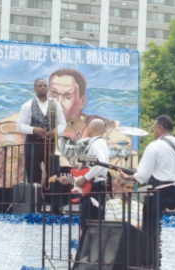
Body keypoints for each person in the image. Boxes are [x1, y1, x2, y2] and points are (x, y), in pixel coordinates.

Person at [119, 115, 175, 266]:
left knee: (153, 231)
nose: (154, 131)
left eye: (154, 127)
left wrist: (129, 177)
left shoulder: (154, 146)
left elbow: (142, 175)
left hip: (161, 194)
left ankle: (153, 263)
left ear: (160, 128)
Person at [16, 78, 66, 213]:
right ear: (35, 88)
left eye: (45, 85)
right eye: (40, 85)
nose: (43, 87)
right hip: (33, 143)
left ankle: (56, 206)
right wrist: (34, 130)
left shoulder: (56, 105)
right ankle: (35, 205)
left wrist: (56, 132)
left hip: (50, 144)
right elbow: (20, 125)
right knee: (33, 173)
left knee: (54, 173)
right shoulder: (27, 105)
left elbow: (63, 123)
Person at [72, 118, 110, 227]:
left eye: (88, 126)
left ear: (93, 128)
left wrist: (85, 178)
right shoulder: (100, 143)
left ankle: (87, 243)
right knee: (93, 220)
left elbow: (100, 164)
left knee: (88, 222)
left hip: (94, 187)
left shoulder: (96, 144)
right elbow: (95, 164)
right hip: (96, 185)